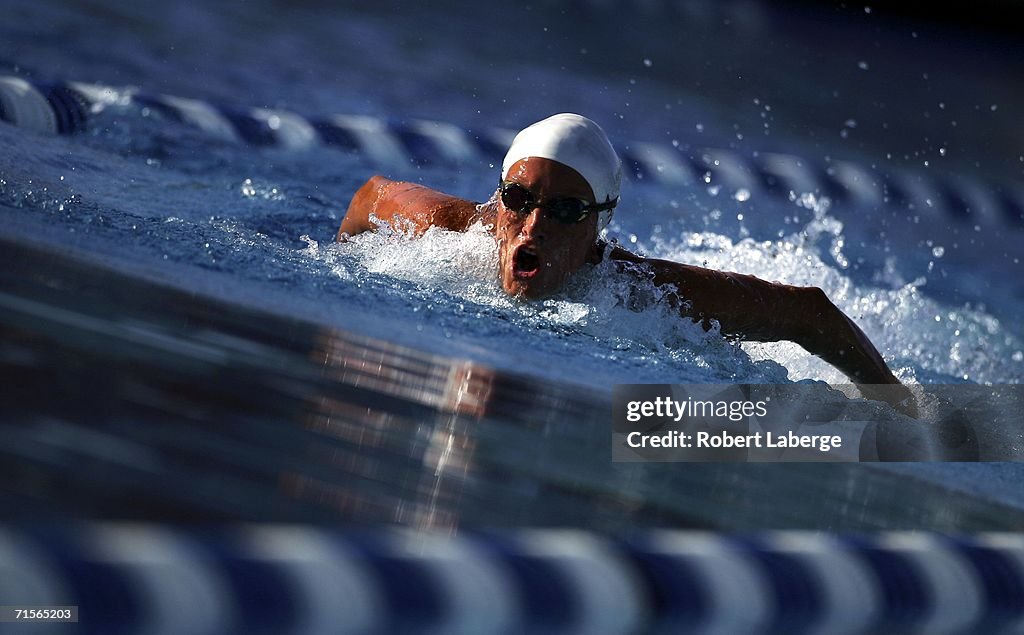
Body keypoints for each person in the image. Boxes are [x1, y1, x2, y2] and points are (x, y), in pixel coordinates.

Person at [336, 113, 916, 415]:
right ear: (499, 198)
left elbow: (808, 314)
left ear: (597, 226)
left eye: (565, 210)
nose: (534, 226)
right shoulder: (448, 232)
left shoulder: (640, 295)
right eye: (519, 200)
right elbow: (370, 194)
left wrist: (901, 412)